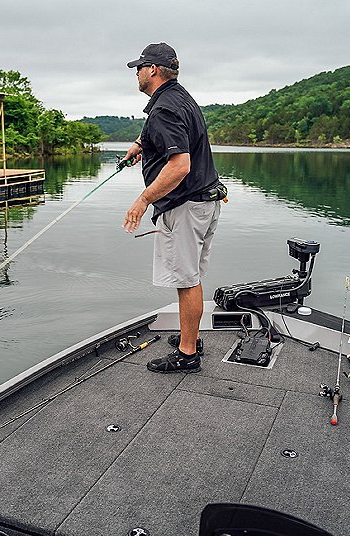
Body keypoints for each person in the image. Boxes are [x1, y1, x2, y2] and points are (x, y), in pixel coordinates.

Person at [120, 42, 226, 374]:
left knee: (186, 279)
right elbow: (173, 133)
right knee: (191, 277)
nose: (136, 73)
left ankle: (188, 353)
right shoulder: (179, 97)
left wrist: (142, 200)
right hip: (205, 201)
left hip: (185, 206)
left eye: (139, 67)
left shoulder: (164, 108)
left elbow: (179, 165)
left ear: (152, 70)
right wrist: (142, 143)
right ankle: (190, 337)